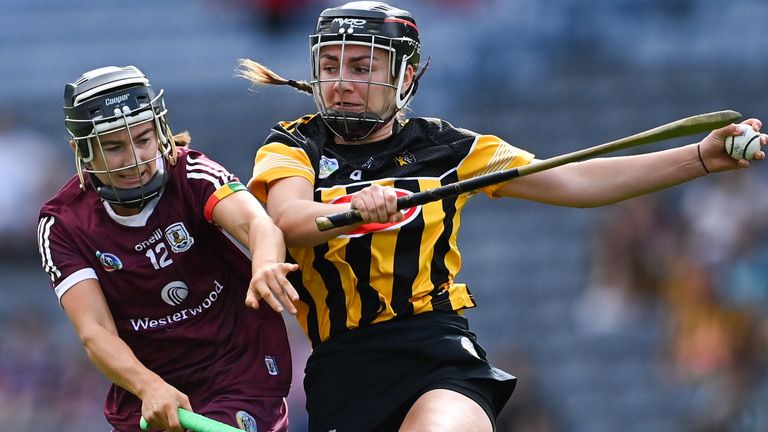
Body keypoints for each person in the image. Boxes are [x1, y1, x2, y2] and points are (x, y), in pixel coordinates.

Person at [236, 2, 767, 431]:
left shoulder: (449, 147)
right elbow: (289, 219)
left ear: (405, 75)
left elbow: (578, 182)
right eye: (331, 66)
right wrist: (355, 209)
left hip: (434, 354)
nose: (342, 82)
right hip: (340, 371)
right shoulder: (294, 142)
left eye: (362, 67)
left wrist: (698, 158)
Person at [36, 65, 300, 432]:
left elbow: (257, 224)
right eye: (114, 147)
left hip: (238, 370)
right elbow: (95, 331)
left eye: (143, 140)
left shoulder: (191, 173)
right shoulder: (62, 224)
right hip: (147, 391)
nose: (135, 160)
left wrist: (266, 263)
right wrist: (150, 386)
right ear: (81, 151)